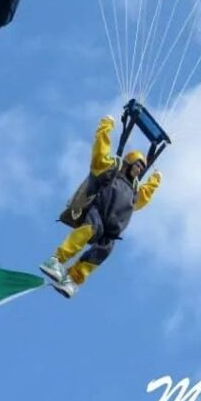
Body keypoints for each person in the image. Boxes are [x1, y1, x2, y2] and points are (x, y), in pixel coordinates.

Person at [40, 115, 161, 298]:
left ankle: (73, 278)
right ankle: (56, 260)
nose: (138, 170)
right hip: (98, 213)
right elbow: (100, 154)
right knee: (88, 230)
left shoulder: (135, 192)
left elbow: (145, 196)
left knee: (103, 251)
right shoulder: (112, 171)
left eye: (141, 168)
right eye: (137, 165)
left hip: (112, 230)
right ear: (129, 163)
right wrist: (105, 127)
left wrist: (155, 180)